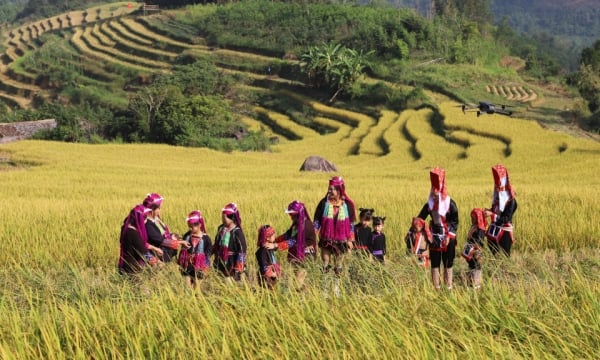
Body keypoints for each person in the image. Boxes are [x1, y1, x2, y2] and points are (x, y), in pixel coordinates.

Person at [417, 167, 459, 290]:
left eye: (437, 194)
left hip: (448, 237)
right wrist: (415, 228)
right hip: (434, 237)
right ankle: (436, 288)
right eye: (433, 193)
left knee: (448, 262)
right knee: (435, 263)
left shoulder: (451, 204)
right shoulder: (429, 204)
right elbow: (421, 218)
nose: (435, 196)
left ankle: (449, 288)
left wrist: (449, 236)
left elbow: (455, 221)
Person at [267, 200, 316, 291]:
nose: (290, 216)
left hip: (306, 256)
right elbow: (287, 235)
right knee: (298, 280)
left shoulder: (307, 226)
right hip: (297, 255)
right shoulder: (296, 225)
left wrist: (276, 246)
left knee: (298, 281)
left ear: (298, 214)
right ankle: (306, 295)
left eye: (292, 214)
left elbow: (293, 241)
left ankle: (305, 296)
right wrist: (274, 241)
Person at [314, 176, 356, 275]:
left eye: (332, 189)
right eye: (329, 188)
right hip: (326, 239)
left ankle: (337, 288)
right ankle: (325, 287)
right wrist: (312, 236)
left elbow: (351, 224)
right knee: (325, 263)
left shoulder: (347, 205)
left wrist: (350, 240)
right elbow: (317, 221)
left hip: (341, 240)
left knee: (339, 266)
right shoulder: (324, 203)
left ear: (339, 190)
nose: (330, 191)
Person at [118, 204, 163, 275]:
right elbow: (144, 252)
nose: (146, 220)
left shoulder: (126, 227)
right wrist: (158, 262)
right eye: (145, 218)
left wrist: (155, 249)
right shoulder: (132, 233)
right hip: (132, 269)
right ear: (139, 219)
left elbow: (141, 244)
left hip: (126, 264)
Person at [143, 193, 188, 262]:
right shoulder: (148, 224)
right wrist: (180, 242)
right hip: (156, 252)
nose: (160, 210)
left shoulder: (156, 219)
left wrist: (172, 236)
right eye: (159, 208)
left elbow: (164, 233)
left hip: (162, 248)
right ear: (152, 209)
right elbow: (160, 240)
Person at [485, 164, 518, 257]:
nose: (496, 188)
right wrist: (489, 211)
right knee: (493, 258)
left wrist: (491, 214)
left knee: (504, 258)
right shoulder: (497, 198)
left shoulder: (511, 200)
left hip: (504, 233)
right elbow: (496, 210)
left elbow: (506, 218)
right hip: (494, 232)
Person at [178, 210, 212, 289]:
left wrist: (205, 266)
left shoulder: (206, 238)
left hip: (199, 266)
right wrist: (181, 264)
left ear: (199, 225)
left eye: (192, 226)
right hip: (187, 265)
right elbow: (182, 250)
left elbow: (208, 253)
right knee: (187, 287)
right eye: (189, 226)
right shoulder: (187, 236)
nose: (190, 228)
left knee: (197, 287)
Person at [213, 202, 247, 282]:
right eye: (222, 217)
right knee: (222, 281)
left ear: (232, 218)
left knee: (231, 282)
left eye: (225, 218)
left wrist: (239, 266)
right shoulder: (221, 229)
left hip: (232, 261)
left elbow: (242, 249)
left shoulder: (237, 232)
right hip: (220, 261)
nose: (223, 220)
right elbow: (217, 243)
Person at [462, 208, 487, 289]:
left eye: (473, 217)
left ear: (478, 217)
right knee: (471, 265)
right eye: (471, 217)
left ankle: (476, 284)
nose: (472, 219)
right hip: (471, 249)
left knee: (477, 266)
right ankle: (470, 282)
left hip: (476, 251)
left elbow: (480, 240)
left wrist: (473, 245)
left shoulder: (481, 228)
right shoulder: (474, 226)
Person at [256, 224, 280, 290]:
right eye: (273, 235)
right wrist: (272, 274)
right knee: (269, 292)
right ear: (267, 238)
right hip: (267, 277)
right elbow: (264, 265)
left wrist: (274, 245)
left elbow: (276, 248)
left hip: (271, 275)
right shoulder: (263, 251)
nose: (275, 236)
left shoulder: (269, 246)